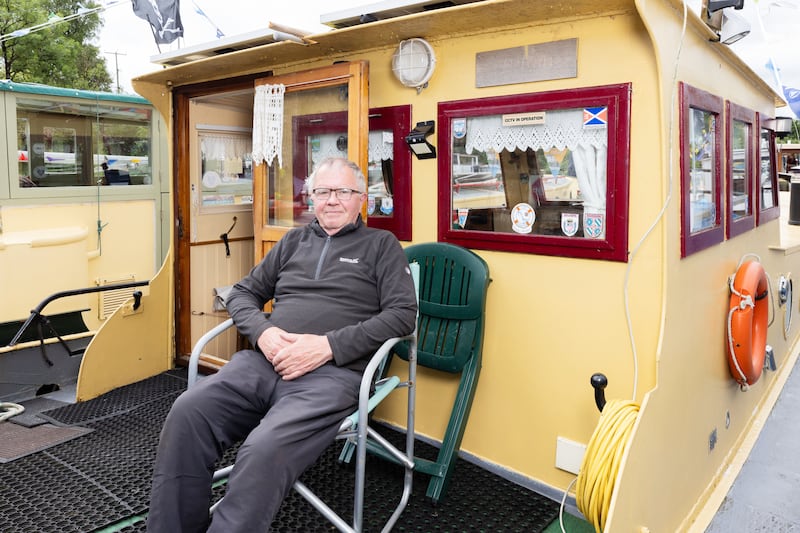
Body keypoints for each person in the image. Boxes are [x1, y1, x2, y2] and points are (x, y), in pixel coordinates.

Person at [146, 157, 418, 532]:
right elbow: (242, 293)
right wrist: (264, 333)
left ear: (361, 199)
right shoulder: (294, 241)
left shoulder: (381, 245)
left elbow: (404, 315)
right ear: (312, 198)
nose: (332, 200)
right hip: (262, 364)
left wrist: (327, 347)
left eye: (343, 192)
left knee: (263, 449)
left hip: (331, 376)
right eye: (323, 192)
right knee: (187, 413)